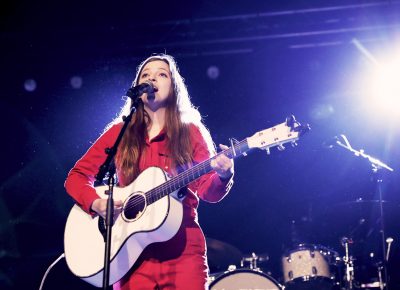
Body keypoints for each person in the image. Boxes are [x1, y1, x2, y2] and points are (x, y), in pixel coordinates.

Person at [65, 54, 234, 290]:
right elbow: (77, 177)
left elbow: (208, 191)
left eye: (161, 74)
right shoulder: (119, 133)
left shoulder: (191, 132)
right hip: (128, 256)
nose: (152, 78)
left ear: (174, 87)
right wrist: (96, 203)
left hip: (182, 252)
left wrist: (224, 175)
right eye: (145, 75)